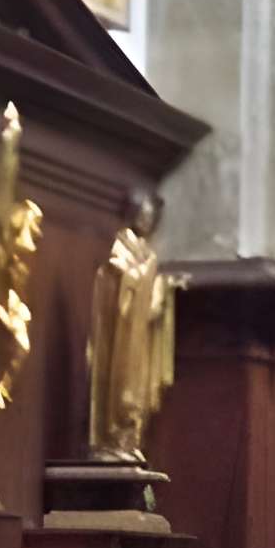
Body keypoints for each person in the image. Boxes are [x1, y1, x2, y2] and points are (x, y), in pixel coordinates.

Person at [85, 190, 180, 463]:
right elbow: (120, 283)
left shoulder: (146, 253)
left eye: (151, 217)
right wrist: (147, 275)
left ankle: (129, 440)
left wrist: (161, 285)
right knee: (121, 383)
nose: (147, 222)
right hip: (121, 335)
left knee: (137, 384)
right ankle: (113, 439)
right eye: (143, 215)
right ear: (133, 214)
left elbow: (150, 303)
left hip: (138, 336)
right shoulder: (120, 247)